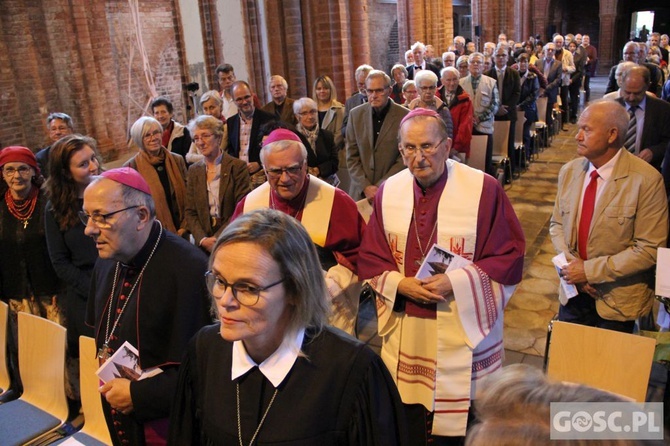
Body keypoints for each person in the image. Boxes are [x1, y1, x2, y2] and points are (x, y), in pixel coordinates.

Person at [168, 209, 407, 445]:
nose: (225, 301)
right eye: (220, 281)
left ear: (296, 290)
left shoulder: (351, 372)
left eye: (249, 288)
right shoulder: (205, 351)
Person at [358, 108, 525, 443]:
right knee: (411, 416)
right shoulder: (389, 191)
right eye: (409, 148)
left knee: (465, 425)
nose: (419, 158)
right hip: (410, 325)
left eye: (427, 147)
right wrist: (400, 284)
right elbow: (371, 256)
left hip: (461, 323)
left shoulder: (484, 189)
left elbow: (509, 256)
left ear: (447, 146)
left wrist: (456, 282)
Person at [83, 167, 212, 445]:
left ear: (141, 216)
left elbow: (207, 370)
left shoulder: (188, 268)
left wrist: (139, 396)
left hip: (169, 427)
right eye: (88, 215)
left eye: (101, 217)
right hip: (121, 418)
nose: (89, 229)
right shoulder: (106, 260)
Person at [550, 101, 668, 334]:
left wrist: (590, 271)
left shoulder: (645, 180)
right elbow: (556, 225)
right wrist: (574, 269)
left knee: (607, 368)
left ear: (612, 134)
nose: (578, 136)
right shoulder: (570, 171)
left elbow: (648, 248)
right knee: (567, 366)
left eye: (587, 129)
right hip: (574, 292)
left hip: (617, 301)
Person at [232, 129, 365, 333]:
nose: (285, 179)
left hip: (322, 306)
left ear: (305, 166)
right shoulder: (249, 205)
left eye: (293, 169)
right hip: (269, 311)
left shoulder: (336, 202)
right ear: (265, 171)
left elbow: (360, 256)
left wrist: (324, 289)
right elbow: (236, 256)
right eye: (276, 171)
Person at [1, 145, 63, 397]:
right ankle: (35, 395)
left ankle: (65, 396)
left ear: (33, 171)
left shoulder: (50, 203)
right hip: (16, 292)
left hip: (51, 291)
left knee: (55, 347)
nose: (17, 176)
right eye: (10, 170)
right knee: (28, 347)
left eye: (23, 169)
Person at [44, 135, 101, 410]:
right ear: (66, 172)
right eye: (83, 164)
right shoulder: (55, 208)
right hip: (84, 294)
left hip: (117, 282)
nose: (93, 166)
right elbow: (59, 262)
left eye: (93, 158)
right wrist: (94, 288)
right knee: (94, 363)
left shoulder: (107, 194)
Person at [185, 115, 250, 253]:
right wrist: (202, 239)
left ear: (219, 138)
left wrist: (218, 238)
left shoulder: (237, 167)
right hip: (203, 244)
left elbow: (242, 208)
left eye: (205, 136)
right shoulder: (193, 170)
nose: (200, 142)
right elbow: (190, 212)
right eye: (196, 138)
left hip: (232, 237)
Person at [345, 70, 410, 200]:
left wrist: (382, 184)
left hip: (393, 190)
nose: (374, 95)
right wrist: (365, 186)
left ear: (389, 90)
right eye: (370, 91)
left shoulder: (404, 116)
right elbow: (351, 156)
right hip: (360, 192)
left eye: (379, 90)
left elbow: (404, 156)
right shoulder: (355, 115)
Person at [125, 116, 188, 235]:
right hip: (153, 232)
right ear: (139, 139)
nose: (153, 138)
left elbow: (189, 194)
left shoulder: (177, 160)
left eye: (156, 133)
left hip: (183, 228)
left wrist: (185, 226)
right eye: (147, 135)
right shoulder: (130, 167)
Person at [615, 66, 670, 170]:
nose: (631, 98)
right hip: (615, 169)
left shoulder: (663, 110)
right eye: (627, 92)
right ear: (621, 85)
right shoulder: (610, 108)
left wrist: (654, 151)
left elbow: (667, 141)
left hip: (648, 170)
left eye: (637, 93)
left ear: (647, 87)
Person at [460, 52, 500, 175]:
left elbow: (495, 104)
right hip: (466, 129)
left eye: (479, 62)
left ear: (483, 66)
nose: (475, 64)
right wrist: (469, 118)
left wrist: (479, 118)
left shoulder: (491, 82)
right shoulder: (461, 83)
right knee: (468, 162)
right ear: (468, 65)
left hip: (484, 128)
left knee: (485, 162)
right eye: (473, 62)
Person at [226, 81, 276, 177]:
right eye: (239, 99)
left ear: (252, 95)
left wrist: (259, 163)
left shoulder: (268, 119)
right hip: (239, 174)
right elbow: (231, 150)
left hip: (261, 174)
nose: (244, 102)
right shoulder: (231, 122)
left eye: (247, 97)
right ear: (233, 100)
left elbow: (273, 148)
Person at [487, 44, 521, 172]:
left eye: (503, 55)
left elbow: (517, 92)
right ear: (493, 58)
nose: (500, 58)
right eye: (498, 55)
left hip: (509, 113)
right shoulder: (488, 74)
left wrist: (505, 107)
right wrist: (496, 108)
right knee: (493, 143)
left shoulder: (514, 74)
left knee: (508, 143)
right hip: (493, 114)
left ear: (508, 58)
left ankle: (509, 171)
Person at [293, 98, 339, 183]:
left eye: (313, 112)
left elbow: (334, 163)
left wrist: (318, 170)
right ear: (297, 116)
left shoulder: (327, 135)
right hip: (301, 182)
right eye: (304, 113)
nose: (310, 116)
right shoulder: (293, 137)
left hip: (326, 182)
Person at [185, 90, 229, 165]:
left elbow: (216, 154)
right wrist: (205, 156)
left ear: (220, 106)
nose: (209, 112)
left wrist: (198, 157)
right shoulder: (199, 128)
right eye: (205, 109)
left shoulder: (225, 127)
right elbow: (188, 157)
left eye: (212, 107)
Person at [440, 66, 473, 161]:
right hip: (439, 147)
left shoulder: (465, 99)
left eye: (455, 79)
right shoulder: (436, 97)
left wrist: (455, 148)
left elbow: (465, 126)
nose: (452, 83)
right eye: (448, 80)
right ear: (442, 81)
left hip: (458, 148)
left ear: (459, 80)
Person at [408, 70, 454, 136]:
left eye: (431, 88)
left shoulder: (442, 109)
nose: (428, 91)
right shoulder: (410, 108)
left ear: (436, 88)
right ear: (417, 89)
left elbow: (448, 134)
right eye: (424, 88)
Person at [35, 112, 75, 177]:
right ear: (49, 133)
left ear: (71, 130)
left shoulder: (81, 151)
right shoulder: (41, 157)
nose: (57, 132)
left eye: (62, 128)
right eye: (53, 129)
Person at [516, 54, 540, 161]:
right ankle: (517, 157)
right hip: (516, 109)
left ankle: (526, 157)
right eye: (520, 62)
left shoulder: (532, 77)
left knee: (525, 133)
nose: (522, 64)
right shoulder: (514, 75)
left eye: (525, 62)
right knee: (516, 133)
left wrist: (521, 106)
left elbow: (534, 94)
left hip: (528, 109)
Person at [312, 75, 345, 150]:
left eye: (325, 88)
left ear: (331, 90)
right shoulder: (312, 109)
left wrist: (324, 150)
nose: (322, 91)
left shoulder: (339, 109)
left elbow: (339, 135)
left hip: (334, 153)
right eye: (319, 89)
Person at [535, 42, 563, 131]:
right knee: (538, 115)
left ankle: (547, 136)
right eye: (548, 50)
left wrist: (546, 89)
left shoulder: (558, 64)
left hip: (550, 93)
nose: (550, 51)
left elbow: (558, 80)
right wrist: (539, 88)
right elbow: (535, 76)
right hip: (539, 92)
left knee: (547, 115)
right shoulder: (538, 62)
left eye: (552, 50)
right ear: (544, 51)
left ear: (554, 52)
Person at [341, 64, 373, 139]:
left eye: (366, 83)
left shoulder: (378, 99)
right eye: (360, 84)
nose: (364, 87)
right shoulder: (350, 102)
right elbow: (343, 130)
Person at [568, 40, 585, 123]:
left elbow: (580, 71)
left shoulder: (579, 57)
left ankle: (573, 116)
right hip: (565, 79)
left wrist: (572, 79)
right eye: (570, 46)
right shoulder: (566, 55)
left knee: (574, 98)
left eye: (573, 46)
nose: (572, 48)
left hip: (575, 80)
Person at [582, 35, 598, 104]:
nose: (586, 40)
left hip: (587, 68)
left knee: (586, 84)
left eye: (587, 39)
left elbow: (594, 58)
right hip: (579, 68)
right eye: (584, 39)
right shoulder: (579, 47)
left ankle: (586, 99)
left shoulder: (592, 48)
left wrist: (588, 61)